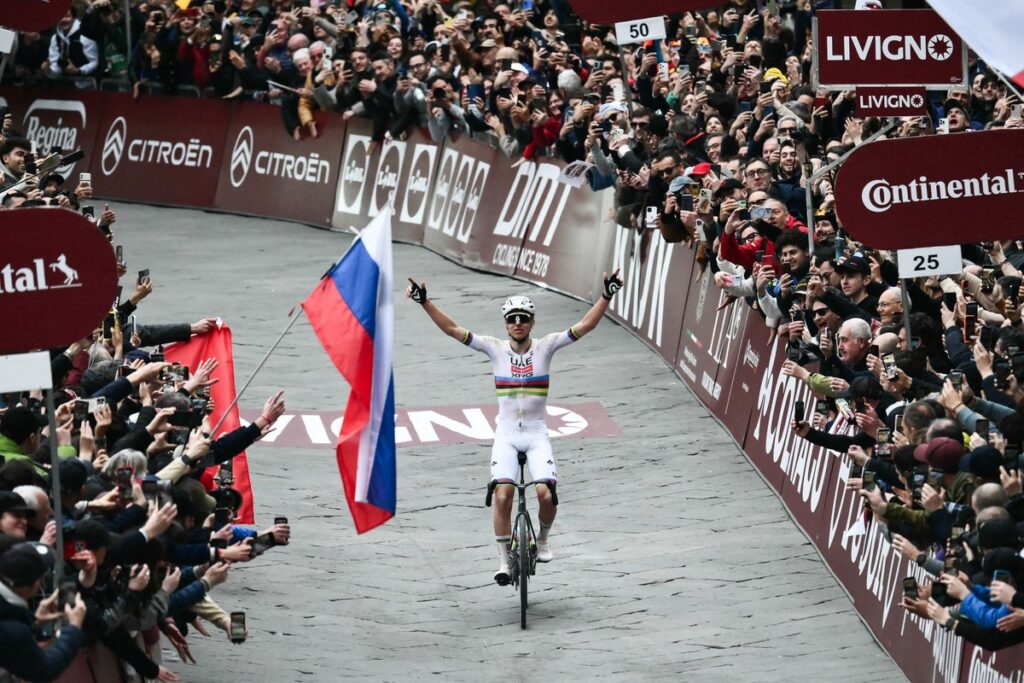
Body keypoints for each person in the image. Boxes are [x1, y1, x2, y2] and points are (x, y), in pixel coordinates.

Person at [405, 270, 624, 584]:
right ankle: (505, 562)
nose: (517, 323)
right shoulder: (495, 348)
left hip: (535, 433)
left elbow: (586, 326)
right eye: (511, 319)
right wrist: (425, 302)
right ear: (505, 324)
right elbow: (453, 329)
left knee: (546, 494)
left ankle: (544, 538)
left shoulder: (546, 346)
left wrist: (606, 295)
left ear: (532, 323)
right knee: (503, 496)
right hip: (507, 434)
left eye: (523, 318)